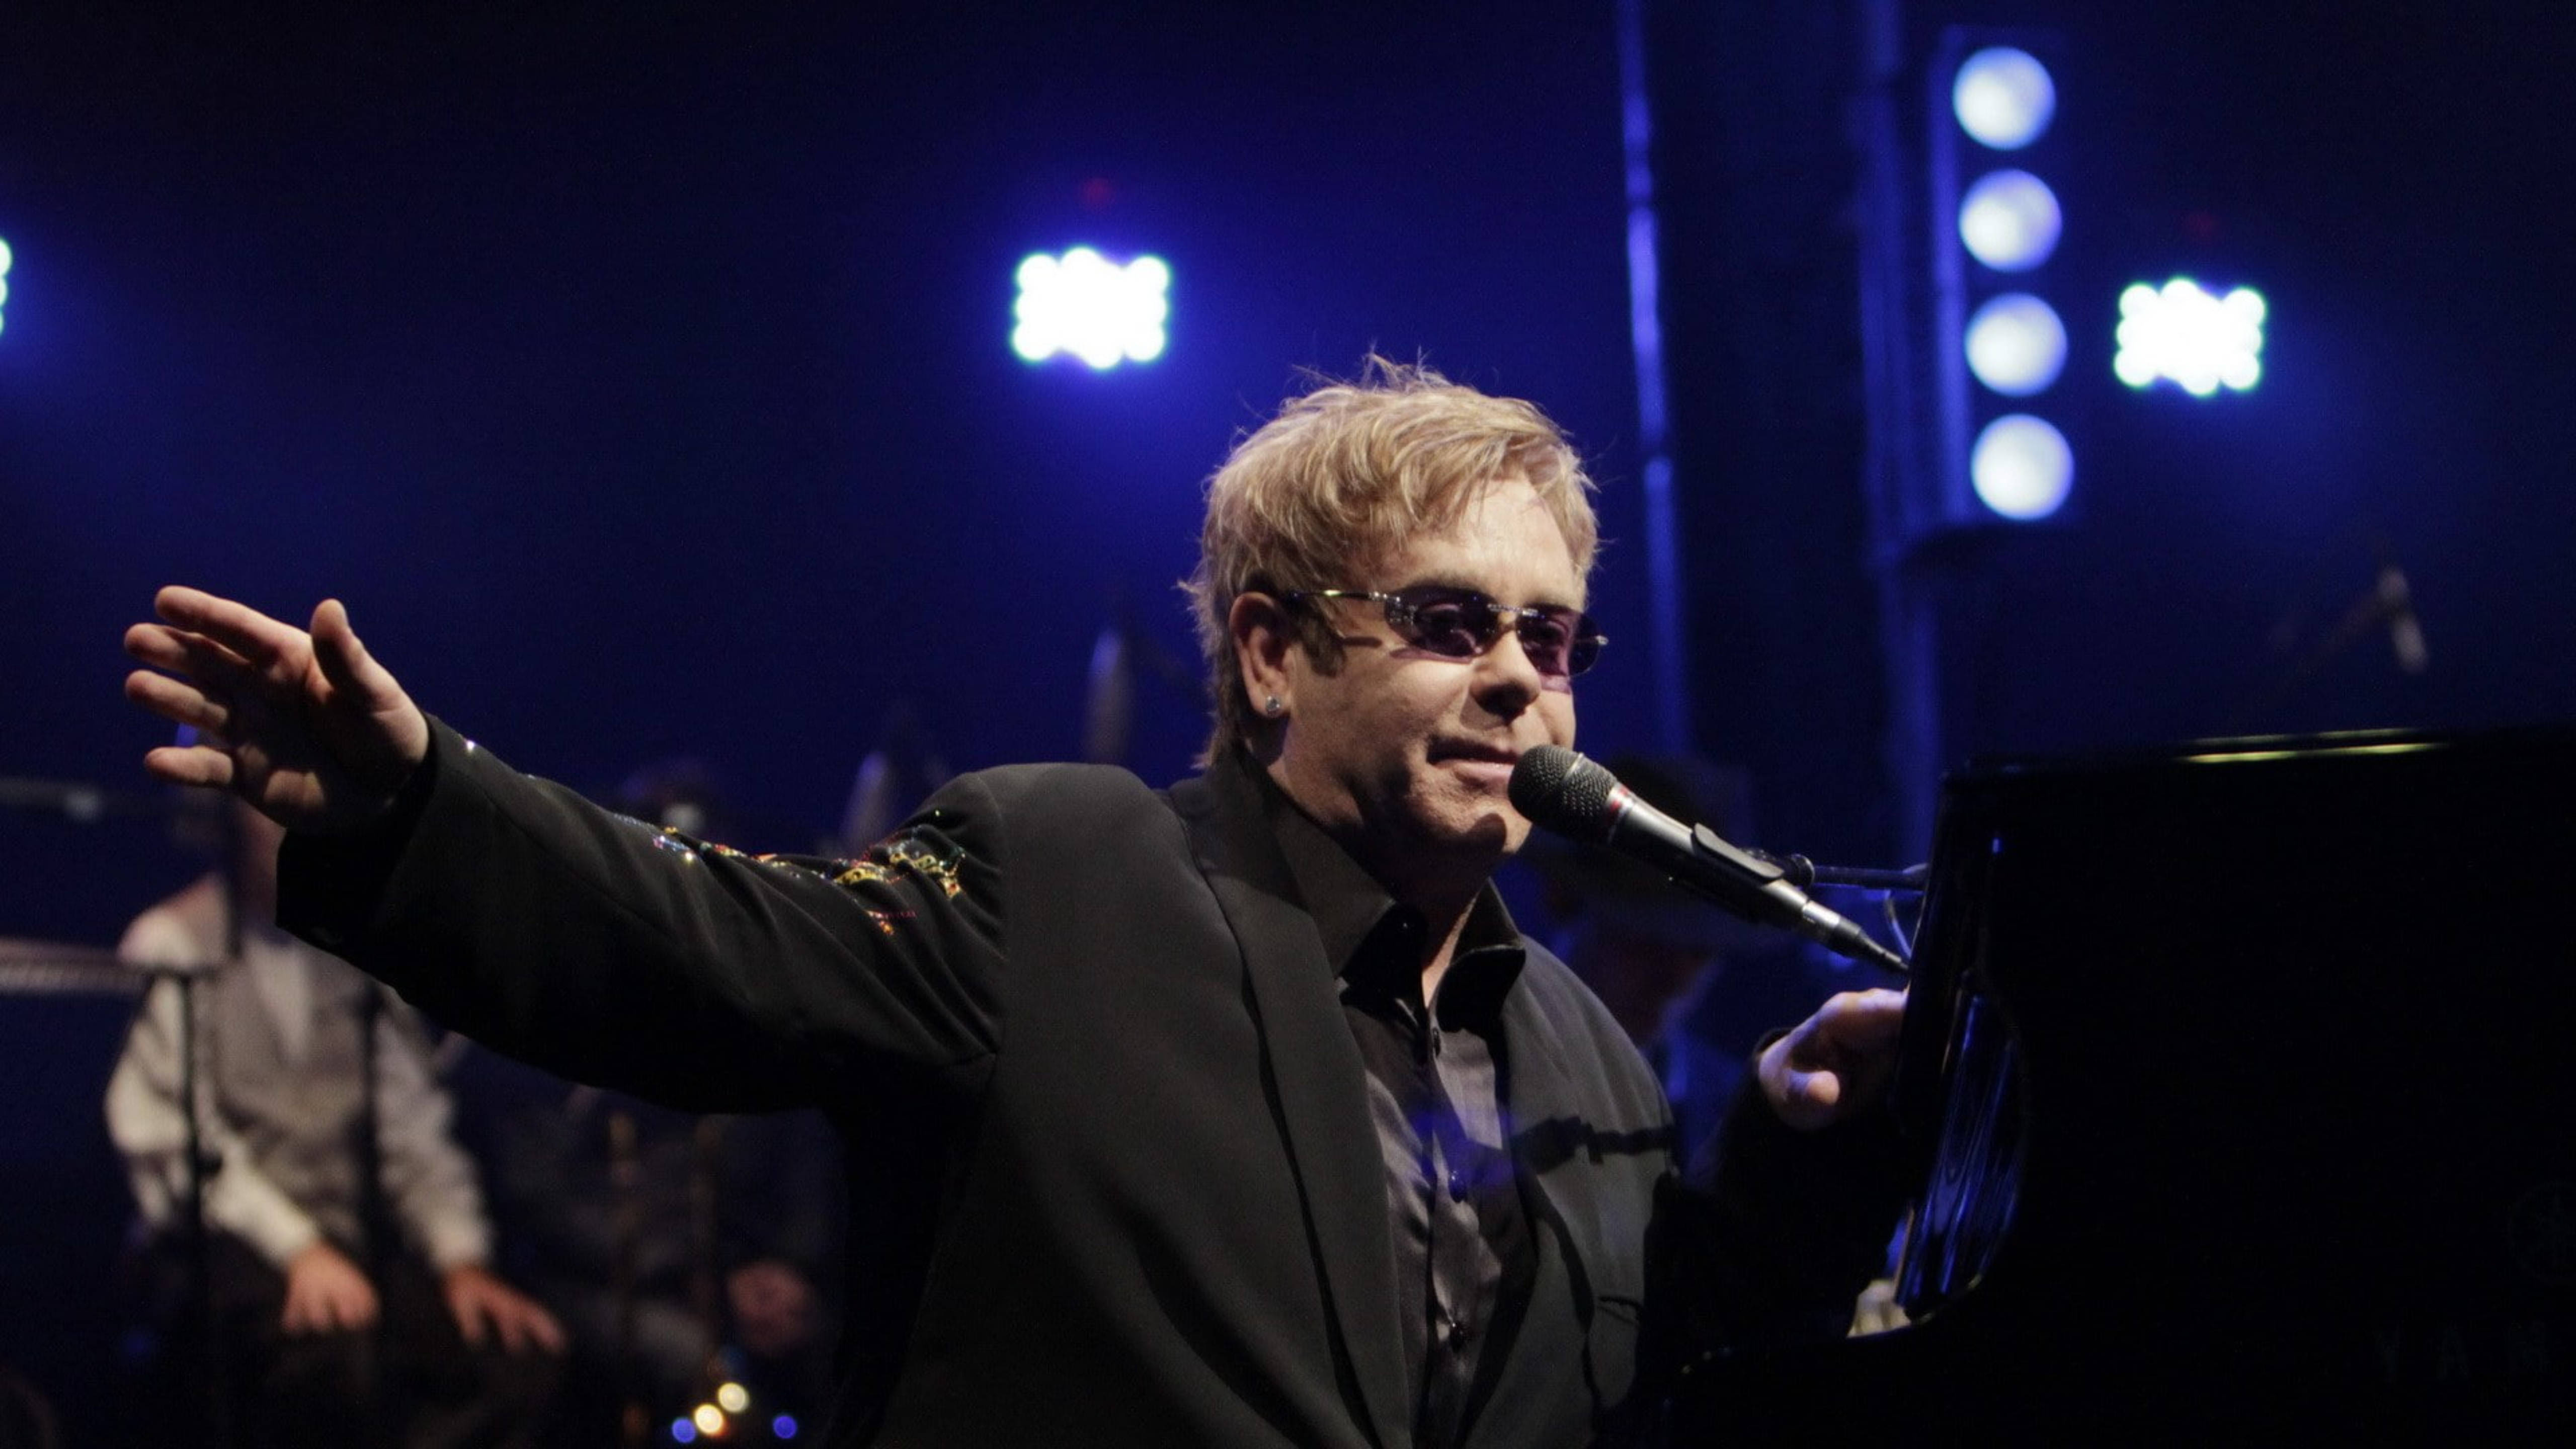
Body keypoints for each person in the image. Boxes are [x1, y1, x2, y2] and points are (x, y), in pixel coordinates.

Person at [122, 361, 1907, 1445]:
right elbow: (698, 948)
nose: (1520, 677)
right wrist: (419, 801)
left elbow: (1661, 1378)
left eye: (1554, 638)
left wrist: (1804, 1149)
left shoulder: (1584, 1056)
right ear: (1271, 654)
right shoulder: (1063, 877)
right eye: (1451, 623)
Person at [104, 798, 565, 1447]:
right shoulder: (173, 940)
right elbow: (170, 1141)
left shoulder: (356, 943)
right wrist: (298, 1248)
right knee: (330, 1366)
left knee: (511, 1362)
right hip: (222, 1249)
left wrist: (460, 1259)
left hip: (348, 1239)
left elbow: (409, 1128)